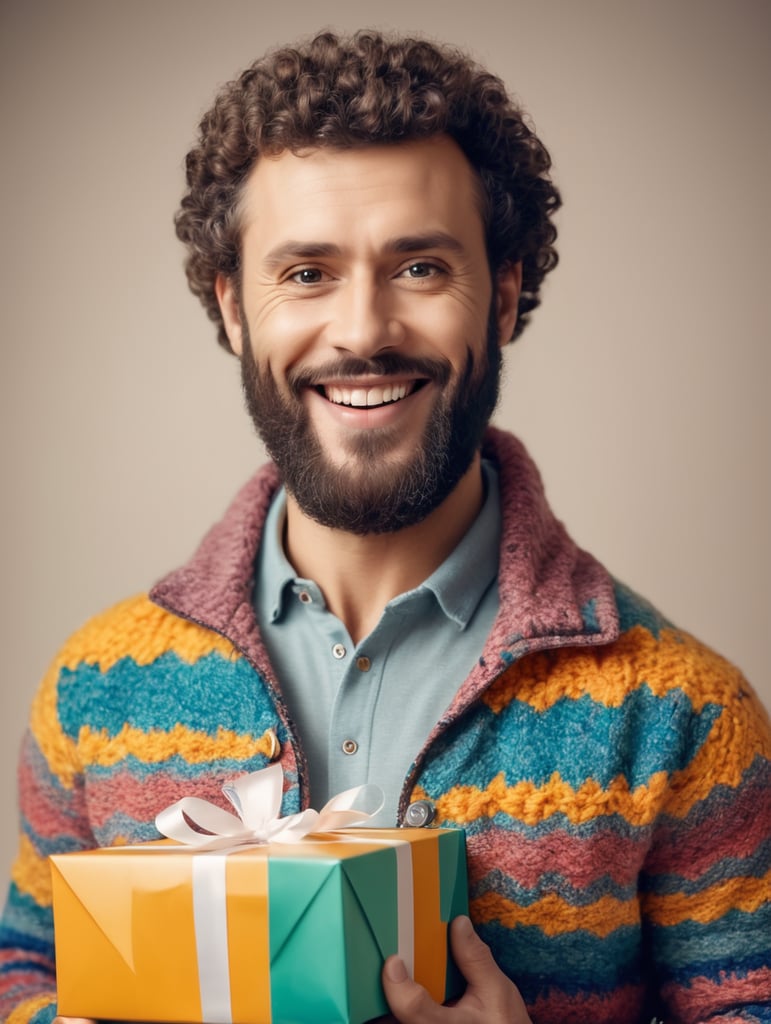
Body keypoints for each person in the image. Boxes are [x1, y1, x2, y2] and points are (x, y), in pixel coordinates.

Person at [1, 28, 769, 1024]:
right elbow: (27, 973)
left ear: (502, 295)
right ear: (233, 308)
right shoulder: (93, 693)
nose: (363, 329)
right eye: (305, 274)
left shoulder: (684, 715)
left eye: (419, 267)